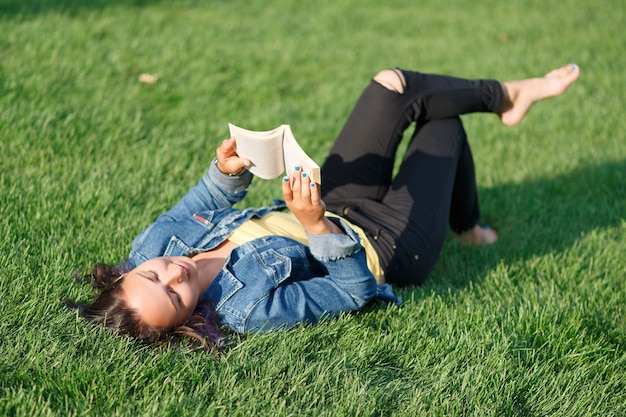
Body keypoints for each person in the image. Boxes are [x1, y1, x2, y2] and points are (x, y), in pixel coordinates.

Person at [67, 63, 580, 351]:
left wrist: (227, 169)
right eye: (176, 297)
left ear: (128, 272)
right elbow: (351, 292)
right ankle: (466, 223)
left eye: (153, 276)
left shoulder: (151, 246)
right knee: (443, 125)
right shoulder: (246, 310)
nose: (173, 275)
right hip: (384, 245)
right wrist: (313, 224)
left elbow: (206, 199)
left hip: (335, 197)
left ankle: (507, 96)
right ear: (188, 320)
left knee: (390, 85)